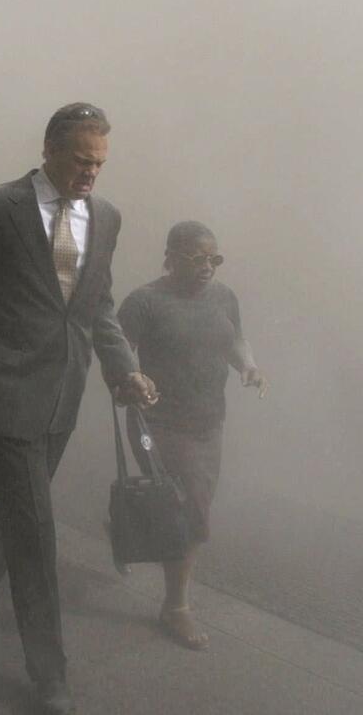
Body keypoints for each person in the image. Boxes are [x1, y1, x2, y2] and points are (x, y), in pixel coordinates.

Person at [0, 102, 157, 714]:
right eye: (83, 160)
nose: (92, 174)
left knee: (15, 505)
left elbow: (99, 305)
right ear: (50, 149)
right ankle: (49, 674)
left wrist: (124, 369)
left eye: (101, 163)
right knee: (35, 529)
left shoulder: (105, 217)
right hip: (6, 390)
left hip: (66, 391)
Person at [116, 220, 266, 651]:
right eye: (196, 258)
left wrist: (248, 366)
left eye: (214, 259)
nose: (207, 267)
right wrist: (132, 379)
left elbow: (235, 340)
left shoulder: (223, 297)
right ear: (170, 257)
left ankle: (124, 526)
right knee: (188, 512)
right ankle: (176, 607)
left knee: (185, 507)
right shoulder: (145, 302)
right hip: (159, 424)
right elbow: (118, 351)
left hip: (207, 422)